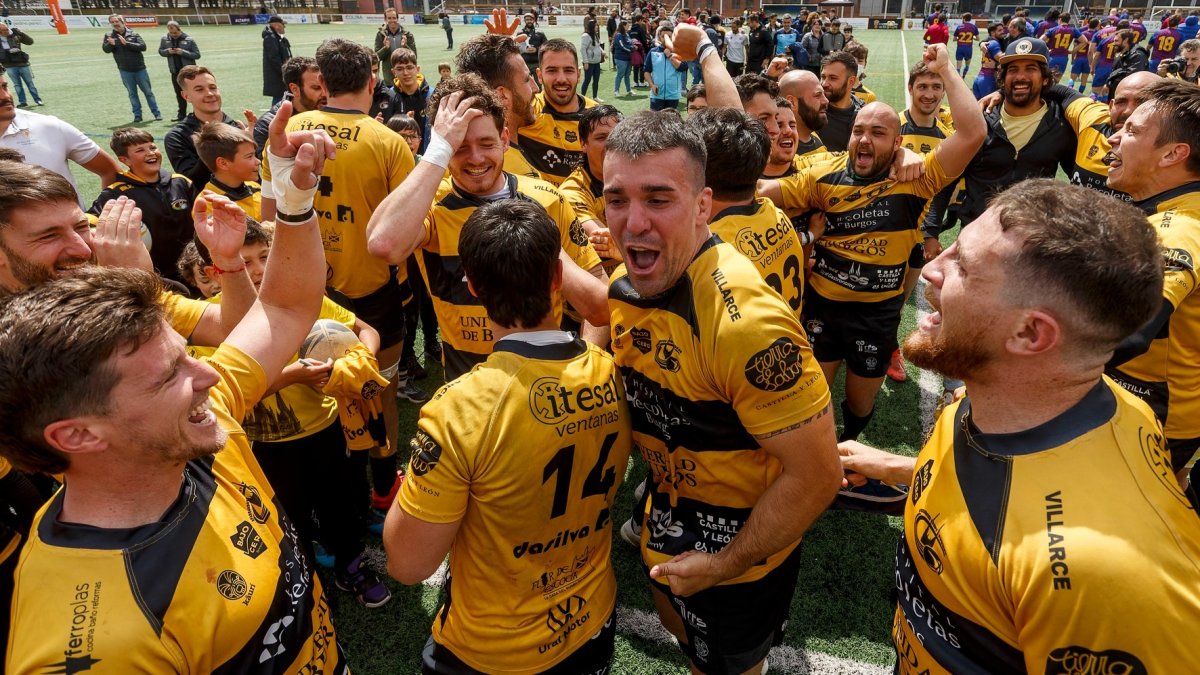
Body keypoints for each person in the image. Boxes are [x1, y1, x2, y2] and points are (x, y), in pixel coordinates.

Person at [0, 106, 351, 673]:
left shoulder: (204, 425)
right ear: (76, 434)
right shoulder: (97, 643)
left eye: (79, 227)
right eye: (172, 373)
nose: (212, 374)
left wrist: (292, 193)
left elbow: (282, 308)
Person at [840, 179, 1200, 673]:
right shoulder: (1046, 398)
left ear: (1030, 333)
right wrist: (898, 465)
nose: (931, 269)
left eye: (961, 265)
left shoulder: (1101, 578)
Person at [604, 109, 841, 675]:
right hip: (668, 514)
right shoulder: (633, 279)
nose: (633, 223)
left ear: (704, 205)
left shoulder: (746, 329)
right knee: (680, 633)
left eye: (659, 199)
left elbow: (817, 477)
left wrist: (723, 563)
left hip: (739, 554)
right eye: (617, 199)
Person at [384, 198, 631, 673]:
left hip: (494, 648)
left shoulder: (458, 410)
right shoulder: (609, 370)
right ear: (558, 279)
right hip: (592, 619)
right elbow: (599, 319)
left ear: (473, 287)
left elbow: (407, 565)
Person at [760, 44, 983, 453]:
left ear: (897, 141)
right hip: (822, 308)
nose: (864, 139)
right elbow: (760, 192)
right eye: (859, 131)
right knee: (813, 398)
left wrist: (948, 70)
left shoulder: (916, 178)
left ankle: (850, 441)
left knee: (859, 403)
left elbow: (973, 134)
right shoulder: (821, 175)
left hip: (877, 315)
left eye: (878, 133)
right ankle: (822, 451)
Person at [365, 74, 609, 380]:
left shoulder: (546, 200)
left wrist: (589, 365)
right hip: (466, 383)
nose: (476, 158)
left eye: (486, 143)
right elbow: (383, 244)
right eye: (459, 147)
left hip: (550, 378)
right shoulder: (431, 205)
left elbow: (599, 306)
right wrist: (438, 152)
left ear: (505, 139)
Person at [263, 38, 420, 503]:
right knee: (379, 388)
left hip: (300, 284)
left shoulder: (291, 129)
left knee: (313, 388)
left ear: (323, 83)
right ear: (374, 80)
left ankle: (336, 490)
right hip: (373, 291)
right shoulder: (388, 140)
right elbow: (405, 232)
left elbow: (270, 214)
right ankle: (382, 484)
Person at [1106, 79, 1200, 506]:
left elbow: (1132, 332)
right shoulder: (1167, 210)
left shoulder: (1180, 228)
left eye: (1132, 130)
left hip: (1154, 417)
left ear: (1172, 154)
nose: (1114, 135)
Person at [0, 67, 120, 205]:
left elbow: (110, 171)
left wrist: (101, 213)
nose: (5, 96)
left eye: (5, 87)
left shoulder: (48, 126)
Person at [89, 127, 194, 284]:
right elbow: (90, 220)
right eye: (140, 150)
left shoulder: (180, 182)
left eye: (152, 147)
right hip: (155, 277)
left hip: (193, 270)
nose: (150, 153)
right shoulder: (117, 193)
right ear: (125, 160)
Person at [453, 31, 543, 180]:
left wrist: (497, 48)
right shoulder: (520, 177)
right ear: (502, 95)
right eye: (527, 79)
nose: (536, 88)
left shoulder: (452, 158)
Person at [513, 39, 595, 185]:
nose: (561, 79)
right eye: (552, 71)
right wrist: (500, 57)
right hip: (539, 205)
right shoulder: (526, 111)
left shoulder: (597, 117)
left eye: (568, 70)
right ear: (539, 75)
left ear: (578, 74)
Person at [165, 65, 250, 191]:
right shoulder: (177, 137)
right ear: (186, 96)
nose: (210, 94)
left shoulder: (240, 128)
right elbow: (192, 181)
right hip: (213, 205)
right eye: (199, 90)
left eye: (212, 87)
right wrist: (216, 145)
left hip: (252, 200)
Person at [561, 104, 622, 273]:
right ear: (583, 144)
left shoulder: (637, 176)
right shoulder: (572, 192)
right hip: (602, 280)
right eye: (601, 137)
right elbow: (604, 240)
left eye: (616, 136)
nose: (610, 144)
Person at [252, 56, 327, 157]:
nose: (325, 94)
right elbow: (268, 168)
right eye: (317, 88)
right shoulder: (267, 125)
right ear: (294, 89)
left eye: (326, 87)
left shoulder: (333, 112)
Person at [194, 122, 262, 220]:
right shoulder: (209, 204)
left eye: (255, 155)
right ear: (223, 163)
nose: (258, 161)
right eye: (249, 156)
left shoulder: (255, 187)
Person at [103, 14, 161, 123]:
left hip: (140, 69)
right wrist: (110, 44)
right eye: (112, 22)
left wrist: (127, 44)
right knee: (132, 94)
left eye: (116, 21)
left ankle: (156, 113)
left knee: (148, 92)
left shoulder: (133, 33)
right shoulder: (109, 35)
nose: (115, 24)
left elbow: (143, 47)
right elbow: (106, 50)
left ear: (122, 21)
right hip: (124, 70)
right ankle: (137, 115)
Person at [818, 50, 862, 152]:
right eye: (823, 77)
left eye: (833, 78)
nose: (824, 83)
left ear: (851, 81)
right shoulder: (810, 110)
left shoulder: (864, 115)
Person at [158, 21, 200, 122]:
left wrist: (183, 52)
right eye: (171, 33)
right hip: (175, 72)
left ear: (179, 29)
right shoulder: (165, 39)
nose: (173, 35)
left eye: (175, 33)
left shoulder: (189, 39)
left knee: (193, 94)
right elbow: (160, 51)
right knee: (179, 94)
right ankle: (181, 115)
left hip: (189, 73)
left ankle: (198, 114)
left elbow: (197, 55)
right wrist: (167, 52)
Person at [645, 25, 687, 111]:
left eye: (669, 36)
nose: (666, 38)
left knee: (670, 121)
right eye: (663, 36)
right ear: (660, 38)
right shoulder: (653, 52)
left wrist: (670, 56)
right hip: (657, 94)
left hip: (673, 94)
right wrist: (652, 85)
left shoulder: (679, 52)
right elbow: (646, 71)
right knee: (655, 120)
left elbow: (682, 68)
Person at [0, 23, 39, 107]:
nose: (7, 31)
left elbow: (30, 42)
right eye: (4, 30)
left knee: (30, 83)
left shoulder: (15, 35)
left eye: (7, 29)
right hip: (9, 65)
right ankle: (22, 102)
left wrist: (21, 33)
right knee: (17, 85)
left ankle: (38, 100)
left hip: (22, 63)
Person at [374, 8, 417, 82]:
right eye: (389, 18)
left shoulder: (407, 34)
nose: (392, 20)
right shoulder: (380, 35)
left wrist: (405, 46)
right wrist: (385, 48)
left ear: (397, 18)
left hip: (405, 75)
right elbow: (376, 58)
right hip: (389, 76)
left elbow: (414, 56)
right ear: (385, 19)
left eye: (394, 18)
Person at [1107, 29, 1150, 95]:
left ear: (1125, 40)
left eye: (1116, 41)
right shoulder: (1121, 54)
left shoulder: (1138, 55)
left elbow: (1131, 76)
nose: (1113, 44)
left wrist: (1111, 80)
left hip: (1130, 94)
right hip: (1118, 92)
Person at [262, 15, 291, 106]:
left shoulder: (276, 37)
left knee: (281, 96)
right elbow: (274, 58)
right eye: (283, 25)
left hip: (279, 74)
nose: (284, 27)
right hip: (278, 76)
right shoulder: (271, 38)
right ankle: (274, 116)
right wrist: (285, 71)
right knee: (279, 97)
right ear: (277, 25)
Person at [1044, 14, 1080, 82]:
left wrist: (1047, 49)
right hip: (1063, 58)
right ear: (1069, 20)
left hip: (1052, 56)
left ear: (1060, 19)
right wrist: (1073, 51)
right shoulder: (1073, 30)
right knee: (1057, 80)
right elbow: (1084, 41)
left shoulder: (1053, 29)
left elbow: (1040, 40)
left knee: (1047, 80)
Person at [580, 20, 604, 100]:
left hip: (597, 62)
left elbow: (598, 46)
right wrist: (586, 62)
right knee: (587, 80)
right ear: (591, 27)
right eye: (595, 26)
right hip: (589, 63)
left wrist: (603, 52)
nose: (597, 27)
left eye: (597, 26)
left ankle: (595, 97)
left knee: (596, 80)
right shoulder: (586, 36)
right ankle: (582, 98)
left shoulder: (595, 35)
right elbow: (583, 49)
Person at [518, 12, 548, 76]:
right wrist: (524, 49)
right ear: (524, 21)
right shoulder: (520, 33)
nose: (529, 21)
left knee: (538, 85)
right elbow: (517, 47)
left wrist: (537, 49)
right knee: (526, 85)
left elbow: (546, 46)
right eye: (527, 20)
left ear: (534, 20)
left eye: (530, 19)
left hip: (537, 63)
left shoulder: (540, 33)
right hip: (525, 64)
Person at [613, 20, 634, 95]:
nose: (629, 26)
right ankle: (616, 91)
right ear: (623, 26)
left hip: (628, 58)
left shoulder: (626, 34)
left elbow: (630, 43)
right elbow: (622, 46)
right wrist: (631, 49)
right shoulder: (619, 35)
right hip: (620, 58)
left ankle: (629, 90)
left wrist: (633, 45)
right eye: (627, 25)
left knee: (627, 75)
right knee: (620, 74)